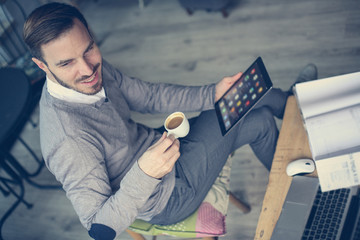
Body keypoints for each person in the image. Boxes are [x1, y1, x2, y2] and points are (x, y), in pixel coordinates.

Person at [23, 2, 317, 239]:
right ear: (42, 66)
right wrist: (145, 173)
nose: (87, 69)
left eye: (88, 48)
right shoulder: (67, 141)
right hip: (169, 195)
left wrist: (211, 93)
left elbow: (149, 97)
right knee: (251, 105)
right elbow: (100, 228)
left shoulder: (91, 68)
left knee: (259, 120)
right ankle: (298, 105)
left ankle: (302, 188)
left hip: (167, 149)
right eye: (66, 63)